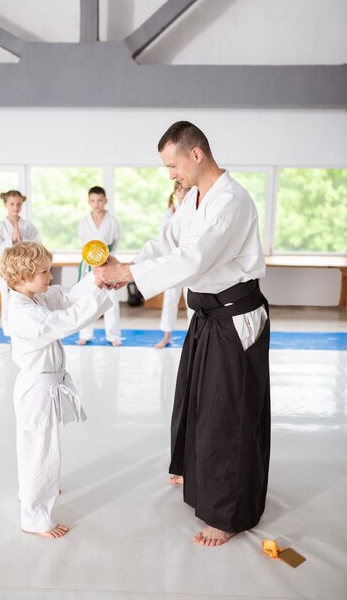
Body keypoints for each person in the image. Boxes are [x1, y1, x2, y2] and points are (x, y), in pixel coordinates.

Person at [94, 121, 270, 548]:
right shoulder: (193, 199)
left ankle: (229, 514)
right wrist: (128, 267)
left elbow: (193, 259)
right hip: (208, 315)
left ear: (195, 154)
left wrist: (131, 274)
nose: (170, 175)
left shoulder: (231, 200)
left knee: (228, 413)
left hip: (234, 317)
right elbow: (166, 243)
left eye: (172, 165)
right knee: (195, 400)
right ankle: (198, 471)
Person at [0, 241, 111, 539]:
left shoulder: (34, 297)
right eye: (45, 272)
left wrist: (97, 278)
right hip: (37, 389)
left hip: (40, 386)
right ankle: (35, 517)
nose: (51, 277)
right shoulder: (24, 311)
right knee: (42, 452)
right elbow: (65, 322)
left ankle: (33, 490)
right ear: (23, 276)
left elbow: (68, 297)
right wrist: (99, 289)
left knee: (35, 446)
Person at [0, 190, 41, 336]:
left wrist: (22, 241)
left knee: (26, 299)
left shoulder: (28, 226)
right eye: (12, 204)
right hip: (6, 270)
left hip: (25, 270)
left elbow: (37, 246)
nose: (15, 207)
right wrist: (10, 241)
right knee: (7, 301)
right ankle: (10, 333)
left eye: (18, 204)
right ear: (6, 204)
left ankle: (24, 331)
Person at [77, 186, 122, 346]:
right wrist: (92, 258)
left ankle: (114, 335)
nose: (96, 204)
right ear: (89, 201)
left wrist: (107, 257)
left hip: (107, 261)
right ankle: (85, 333)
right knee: (88, 297)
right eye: (93, 200)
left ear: (105, 201)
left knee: (111, 298)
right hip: (89, 263)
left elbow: (116, 240)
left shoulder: (112, 221)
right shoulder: (84, 222)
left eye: (100, 200)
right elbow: (82, 242)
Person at [155, 181, 193, 349]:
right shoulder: (169, 213)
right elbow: (163, 238)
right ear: (174, 193)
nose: (183, 194)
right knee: (170, 299)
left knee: (192, 300)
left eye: (186, 190)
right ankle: (167, 335)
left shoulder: (194, 210)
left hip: (190, 262)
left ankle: (195, 336)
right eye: (180, 191)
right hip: (172, 261)